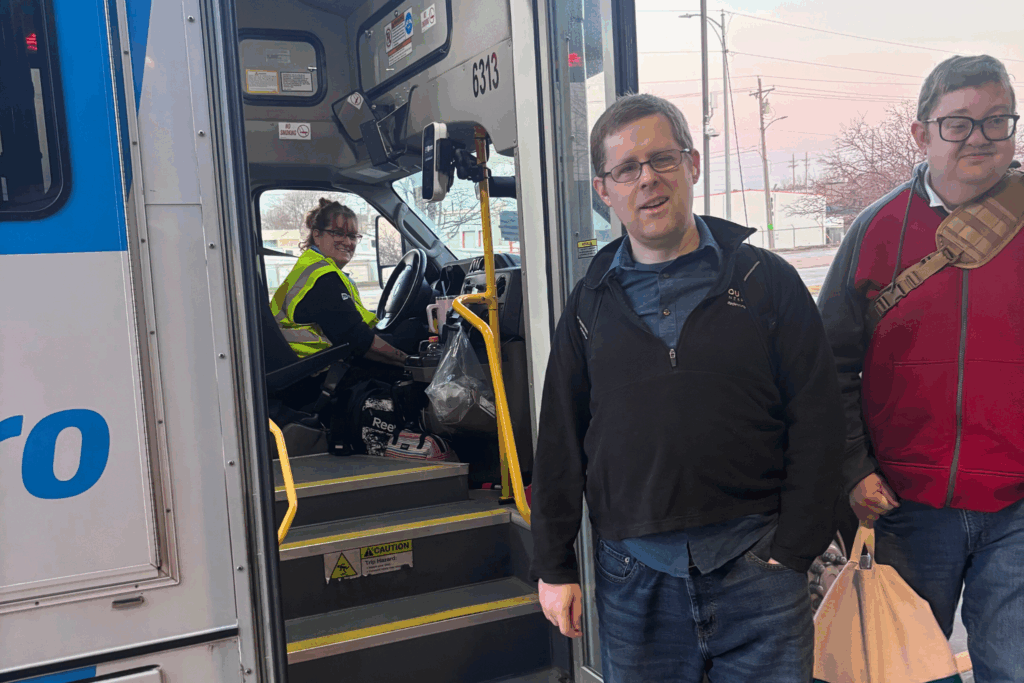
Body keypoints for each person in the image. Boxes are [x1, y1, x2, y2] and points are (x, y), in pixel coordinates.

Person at [529, 93, 845, 682]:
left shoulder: (764, 281)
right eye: (627, 169)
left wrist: (795, 548)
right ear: (605, 192)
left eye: (662, 159)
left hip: (758, 568)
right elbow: (560, 444)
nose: (647, 179)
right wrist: (554, 566)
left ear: (692, 165)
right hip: (633, 580)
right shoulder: (588, 305)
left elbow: (818, 418)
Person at [818, 55, 1024, 682]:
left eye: (997, 121)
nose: (980, 138)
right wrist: (853, 470)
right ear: (921, 132)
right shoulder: (875, 229)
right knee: (907, 672)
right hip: (904, 505)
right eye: (958, 123)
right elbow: (829, 366)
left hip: (1017, 506)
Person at [271, 198, 420, 369]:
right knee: (415, 333)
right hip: (319, 374)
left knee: (410, 329)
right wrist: (410, 361)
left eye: (352, 236)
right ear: (317, 235)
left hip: (319, 362)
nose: (348, 242)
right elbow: (359, 341)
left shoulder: (313, 267)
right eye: (338, 233)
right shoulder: (322, 279)